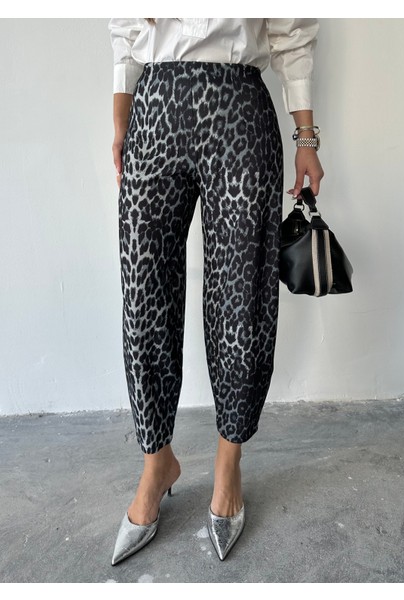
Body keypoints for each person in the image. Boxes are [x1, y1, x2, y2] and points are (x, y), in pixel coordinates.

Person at [108, 17, 324, 565]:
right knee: (143, 294)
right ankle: (157, 462)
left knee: (241, 299)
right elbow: (125, 31)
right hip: (154, 106)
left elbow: (292, 33)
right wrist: (121, 121)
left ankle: (229, 465)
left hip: (240, 111)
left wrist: (305, 137)